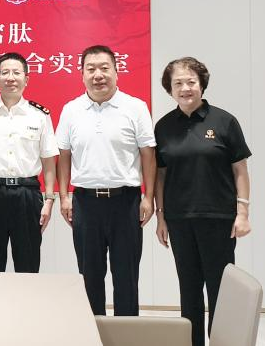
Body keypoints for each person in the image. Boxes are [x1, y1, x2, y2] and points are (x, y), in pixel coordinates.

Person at [154, 57, 252, 346]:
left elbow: (240, 170)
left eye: (191, 82)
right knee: (189, 288)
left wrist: (243, 212)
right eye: (178, 83)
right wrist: (161, 217)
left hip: (218, 219)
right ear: (170, 89)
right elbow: (160, 175)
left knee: (220, 289)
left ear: (202, 85)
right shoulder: (164, 126)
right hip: (179, 219)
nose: (185, 88)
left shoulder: (224, 121)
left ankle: (221, 341)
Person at [56, 44, 156, 316]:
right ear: (82, 74)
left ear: (116, 71)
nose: (98, 75)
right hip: (85, 203)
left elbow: (148, 155)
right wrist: (64, 196)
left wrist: (148, 197)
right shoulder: (71, 109)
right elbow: (63, 156)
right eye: (91, 69)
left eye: (104, 68)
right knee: (89, 276)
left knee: (126, 276)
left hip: (126, 202)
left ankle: (127, 334)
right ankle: (93, 331)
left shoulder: (135, 107)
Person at [0, 52, 58, 273]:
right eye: (5, 72)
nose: (10, 78)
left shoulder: (39, 116)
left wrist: (49, 200)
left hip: (28, 195)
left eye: (16, 72)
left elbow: (48, 162)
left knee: (28, 266)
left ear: (26, 79)